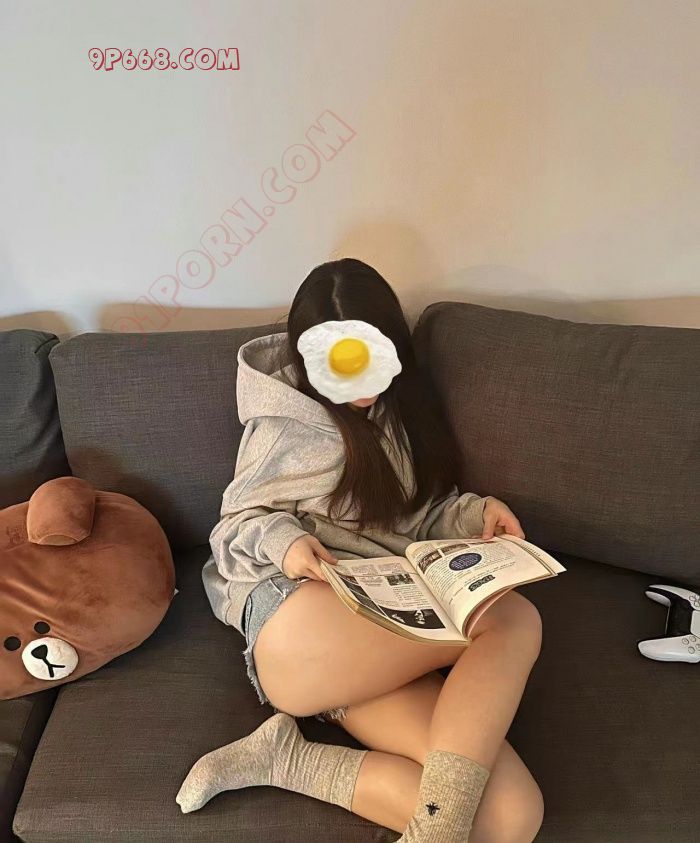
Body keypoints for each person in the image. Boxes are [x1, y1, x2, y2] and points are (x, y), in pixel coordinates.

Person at [176, 258, 544, 842]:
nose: (364, 389)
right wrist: (286, 543)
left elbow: (415, 516)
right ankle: (439, 832)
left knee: (511, 819)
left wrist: (475, 514)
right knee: (513, 618)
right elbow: (232, 527)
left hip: (375, 639)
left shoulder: (400, 412)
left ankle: (284, 759)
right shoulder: (287, 426)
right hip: (301, 623)